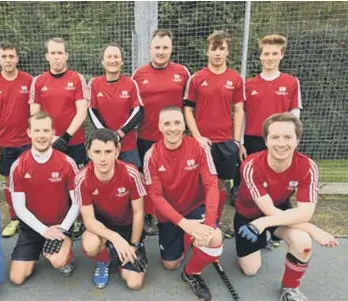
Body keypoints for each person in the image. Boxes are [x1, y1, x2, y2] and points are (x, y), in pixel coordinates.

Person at [235, 113, 339, 301]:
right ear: (266, 140)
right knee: (250, 270)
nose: (281, 143)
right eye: (275, 137)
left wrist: (265, 223)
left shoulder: (308, 167)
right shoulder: (250, 165)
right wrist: (315, 230)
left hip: (277, 212)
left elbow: (305, 212)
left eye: (288, 137)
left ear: (297, 140)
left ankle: (290, 289)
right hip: (249, 215)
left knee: (303, 242)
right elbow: (269, 211)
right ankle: (265, 236)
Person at [143, 106, 223, 301]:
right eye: (167, 123)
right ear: (159, 127)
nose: (173, 128)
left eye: (177, 122)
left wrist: (210, 224)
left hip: (194, 208)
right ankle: (189, 238)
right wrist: (184, 224)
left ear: (185, 125)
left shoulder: (199, 148)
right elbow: (155, 196)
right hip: (169, 215)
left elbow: (212, 185)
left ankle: (191, 272)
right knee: (170, 265)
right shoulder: (151, 155)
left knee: (214, 238)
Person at [183, 30, 245, 233]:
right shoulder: (196, 78)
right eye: (213, 49)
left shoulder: (236, 79)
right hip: (202, 143)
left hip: (225, 142)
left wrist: (236, 141)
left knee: (219, 186)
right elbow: (187, 109)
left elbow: (238, 110)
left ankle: (215, 222)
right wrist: (197, 136)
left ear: (228, 51)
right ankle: (198, 223)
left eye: (222, 49)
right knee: (198, 185)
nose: (217, 53)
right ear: (207, 51)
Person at [9, 111, 79, 284]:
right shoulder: (18, 165)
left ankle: (66, 254)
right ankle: (39, 247)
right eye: (37, 131)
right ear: (29, 133)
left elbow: (78, 201)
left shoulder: (67, 162)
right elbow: (19, 207)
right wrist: (43, 231)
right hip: (32, 227)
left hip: (60, 225)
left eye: (46, 131)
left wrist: (62, 229)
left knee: (58, 261)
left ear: (53, 133)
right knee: (17, 279)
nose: (41, 136)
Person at [231, 34, 303, 204]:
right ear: (260, 56)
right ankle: (240, 195)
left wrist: (291, 139)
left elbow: (294, 113)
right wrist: (240, 142)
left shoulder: (291, 82)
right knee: (248, 171)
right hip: (253, 138)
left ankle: (279, 200)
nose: (270, 58)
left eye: (274, 54)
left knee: (278, 172)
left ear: (281, 55)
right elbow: (243, 114)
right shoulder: (248, 84)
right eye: (266, 54)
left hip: (278, 139)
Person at [132, 29, 190, 235]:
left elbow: (189, 106)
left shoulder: (182, 73)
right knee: (148, 178)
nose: (161, 51)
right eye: (157, 47)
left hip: (175, 137)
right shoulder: (138, 75)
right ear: (150, 49)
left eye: (165, 47)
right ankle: (149, 215)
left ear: (171, 49)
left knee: (176, 177)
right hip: (147, 136)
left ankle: (175, 214)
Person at [29, 37, 89, 240]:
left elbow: (82, 110)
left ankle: (82, 220)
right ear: (47, 56)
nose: (57, 57)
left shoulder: (76, 78)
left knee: (79, 181)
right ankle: (59, 221)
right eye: (53, 53)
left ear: (66, 55)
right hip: (49, 143)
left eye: (60, 53)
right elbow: (35, 115)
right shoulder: (39, 81)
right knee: (54, 183)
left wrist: (66, 136)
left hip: (74, 141)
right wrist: (52, 138)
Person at [76, 129, 147, 290]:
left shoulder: (131, 173)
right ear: (89, 153)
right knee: (90, 244)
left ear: (117, 152)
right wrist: (115, 238)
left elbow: (139, 212)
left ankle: (127, 252)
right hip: (102, 229)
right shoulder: (82, 178)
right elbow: (89, 220)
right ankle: (103, 259)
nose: (102, 158)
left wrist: (133, 244)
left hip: (128, 227)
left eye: (108, 151)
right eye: (97, 152)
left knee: (134, 283)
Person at [0, 41, 33, 237]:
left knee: (31, 181)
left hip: (27, 141)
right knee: (9, 183)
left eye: (11, 56)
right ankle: (15, 218)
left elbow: (35, 111)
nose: (8, 60)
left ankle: (32, 218)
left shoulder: (29, 80)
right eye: (4, 56)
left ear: (17, 58)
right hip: (4, 143)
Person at [88, 43, 143, 169]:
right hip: (103, 147)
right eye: (109, 57)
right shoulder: (95, 84)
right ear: (103, 61)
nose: (113, 60)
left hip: (127, 147)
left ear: (122, 61)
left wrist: (120, 133)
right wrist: (108, 135)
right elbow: (92, 111)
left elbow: (138, 111)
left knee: (132, 182)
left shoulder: (130, 84)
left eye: (116, 57)